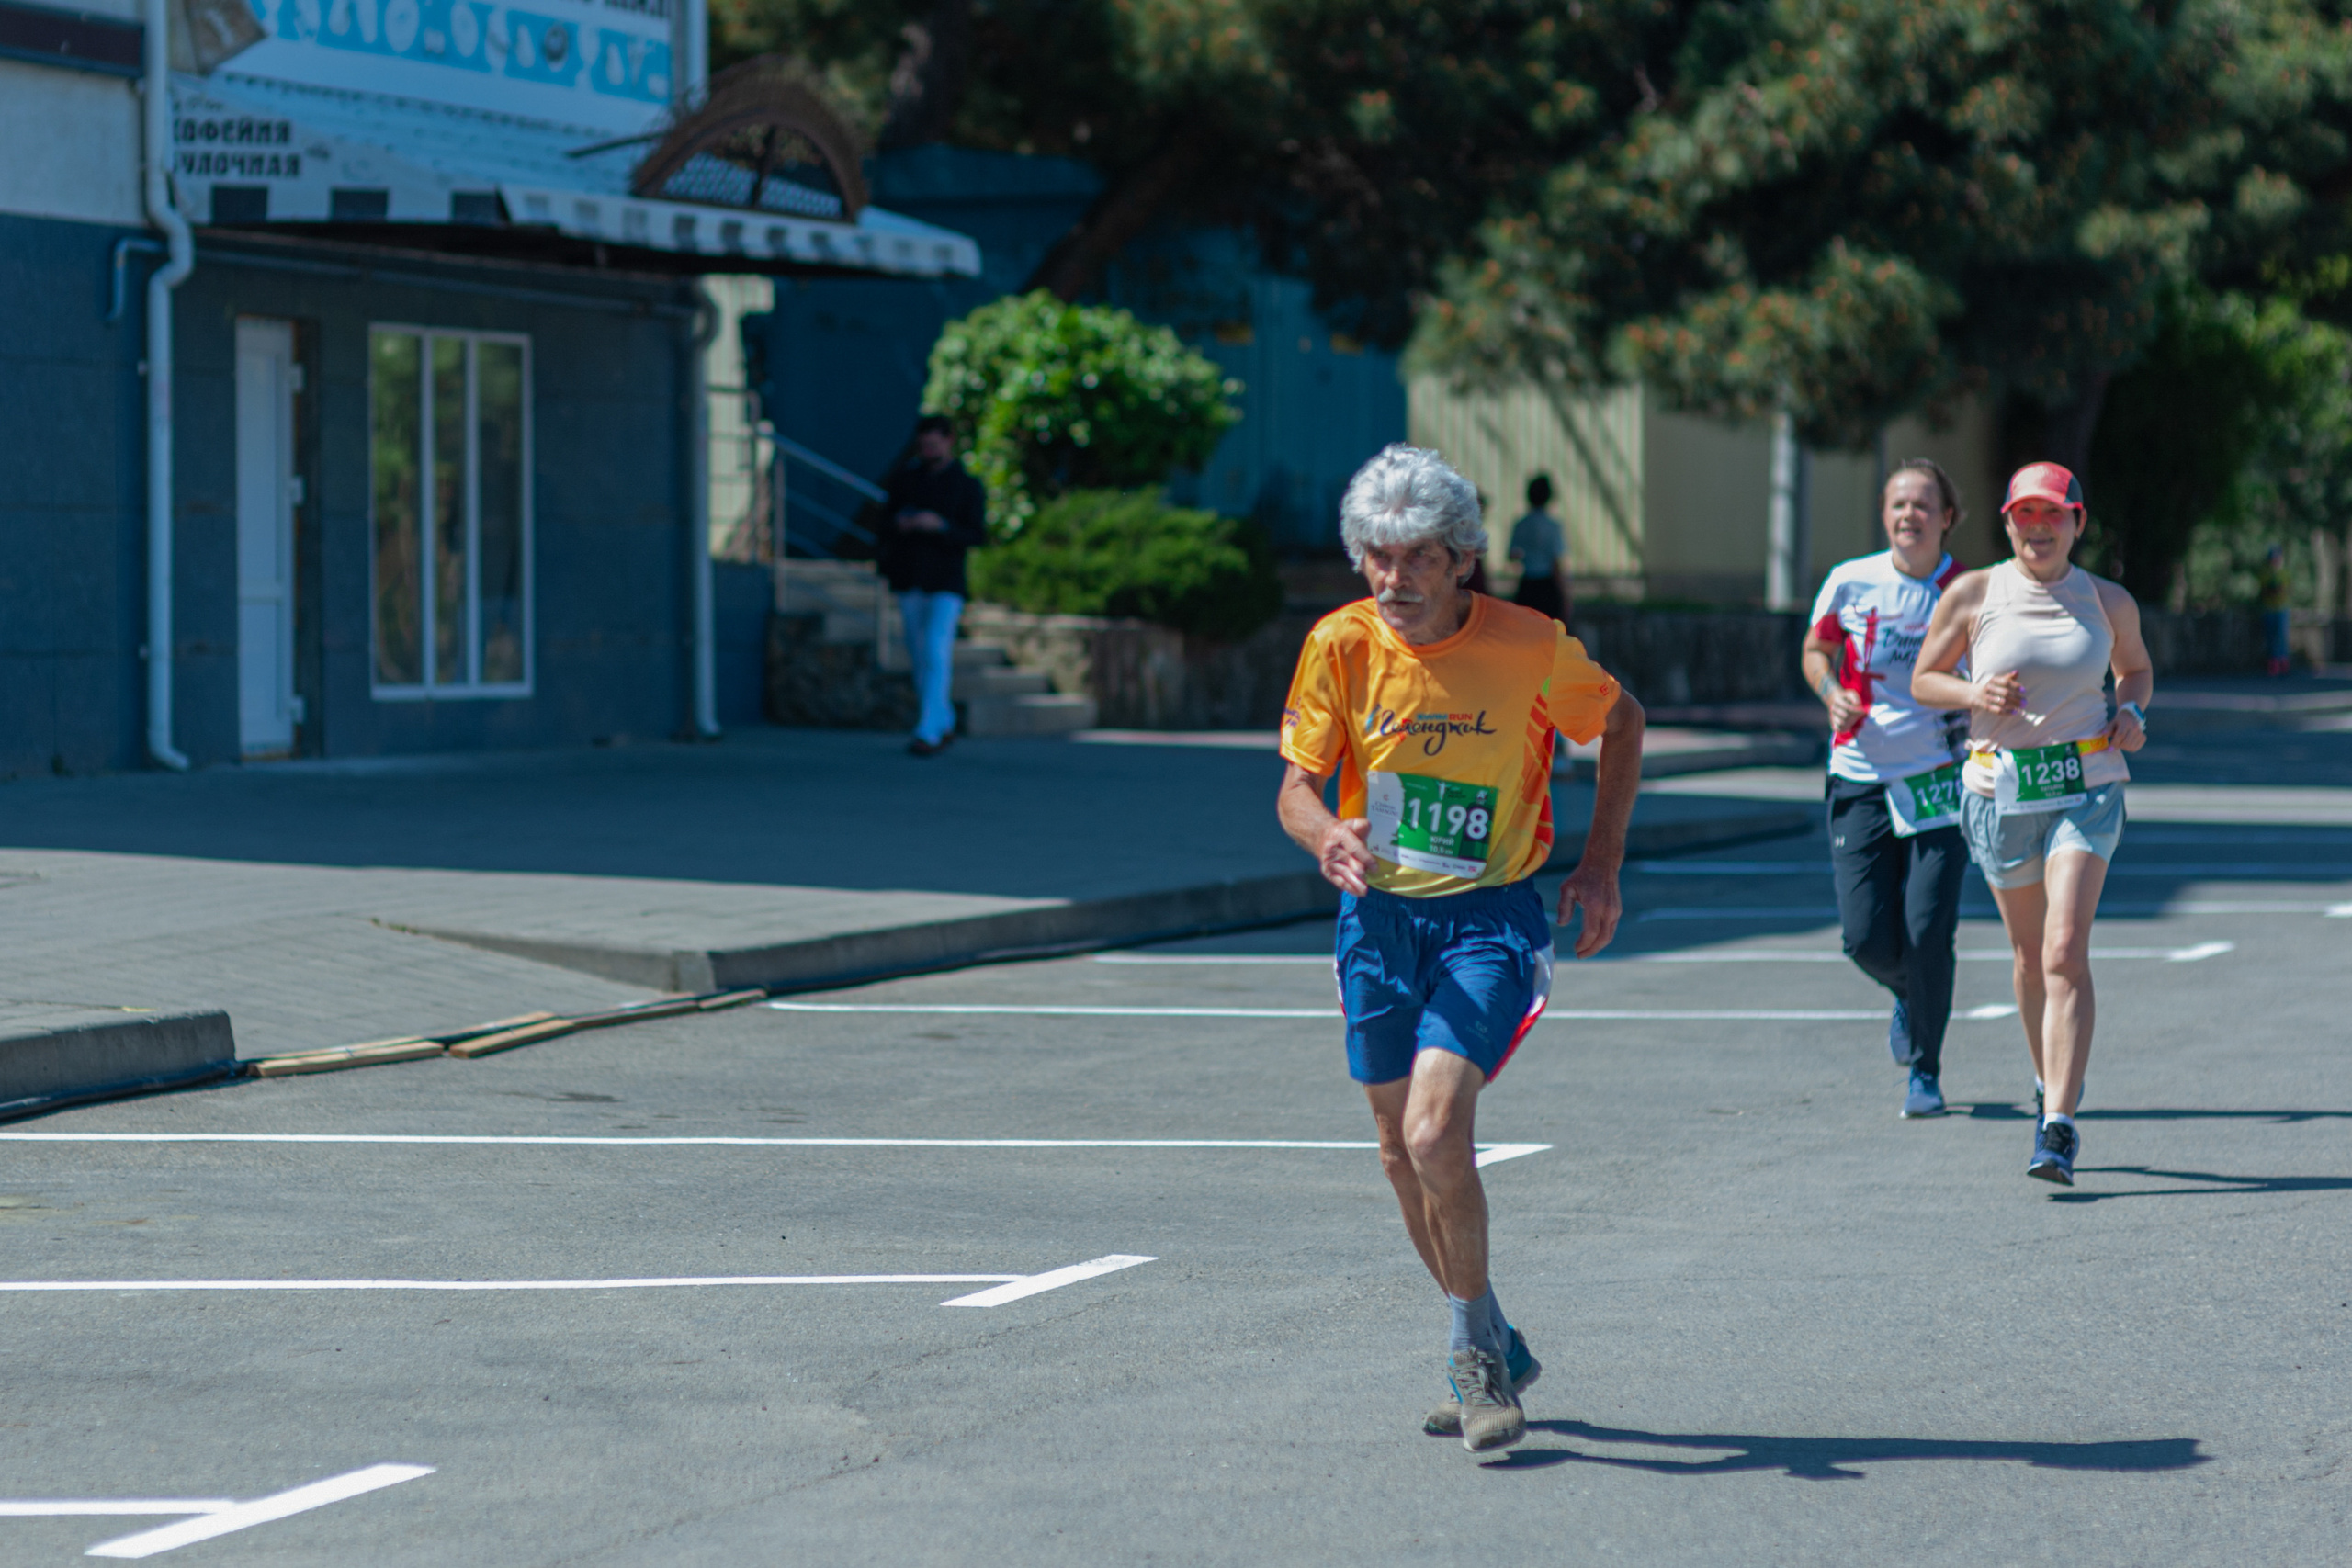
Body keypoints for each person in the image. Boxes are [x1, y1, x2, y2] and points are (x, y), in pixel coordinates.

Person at [1275, 444, 1644, 1453]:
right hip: (1377, 922)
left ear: (1463, 561)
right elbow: (1296, 788)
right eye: (1377, 557)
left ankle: (1474, 1366)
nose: (1393, 578)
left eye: (1418, 558)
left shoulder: (1530, 645)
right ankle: (1489, 1335)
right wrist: (1326, 834)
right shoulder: (1340, 644)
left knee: (1437, 1133)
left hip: (1489, 917)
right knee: (1399, 1153)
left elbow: (1622, 723)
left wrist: (1600, 864)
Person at [1912, 462, 2152, 1185]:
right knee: (2027, 958)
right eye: (2025, 515)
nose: (2038, 528)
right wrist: (1973, 691)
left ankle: (2059, 1124)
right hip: (2000, 791)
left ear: (2078, 521)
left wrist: (2130, 711)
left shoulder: (2106, 600)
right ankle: (2048, 1077)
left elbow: (2135, 670)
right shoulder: (1973, 593)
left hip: (2087, 786)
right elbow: (1924, 679)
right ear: (2008, 522)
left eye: (2053, 514)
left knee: (2063, 948)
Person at [1800, 459, 1972, 1120]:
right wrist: (1831, 692)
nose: (1909, 516)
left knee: (1928, 929)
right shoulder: (1851, 580)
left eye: (1923, 505)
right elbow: (1816, 651)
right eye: (1899, 504)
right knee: (1865, 937)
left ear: (1946, 517)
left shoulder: (1970, 589)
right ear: (1884, 514)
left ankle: (1925, 1068)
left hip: (1940, 780)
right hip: (1860, 775)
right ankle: (1912, 994)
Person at [876, 415, 989, 757]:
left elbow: (977, 534)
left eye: (934, 444)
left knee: (936, 651)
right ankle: (943, 721)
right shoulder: (906, 480)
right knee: (918, 652)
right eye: (924, 445)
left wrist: (941, 527)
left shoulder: (966, 485)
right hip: (910, 577)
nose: (928, 450)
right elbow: (882, 522)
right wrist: (903, 523)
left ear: (949, 441)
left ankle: (927, 730)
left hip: (946, 581)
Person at [1507, 474, 1570, 624]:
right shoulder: (1553, 526)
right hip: (1548, 585)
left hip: (1527, 584)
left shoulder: (1521, 524)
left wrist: (1529, 555)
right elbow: (1555, 562)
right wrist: (1565, 595)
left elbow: (1512, 555)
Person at [2260, 543, 2292, 677]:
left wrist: (2279, 590)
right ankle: (2273, 663)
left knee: (2281, 636)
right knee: (2271, 636)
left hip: (2282, 608)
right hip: (2269, 608)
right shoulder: (2265, 573)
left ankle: (2283, 663)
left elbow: (2287, 590)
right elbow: (2264, 590)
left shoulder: (2285, 573)